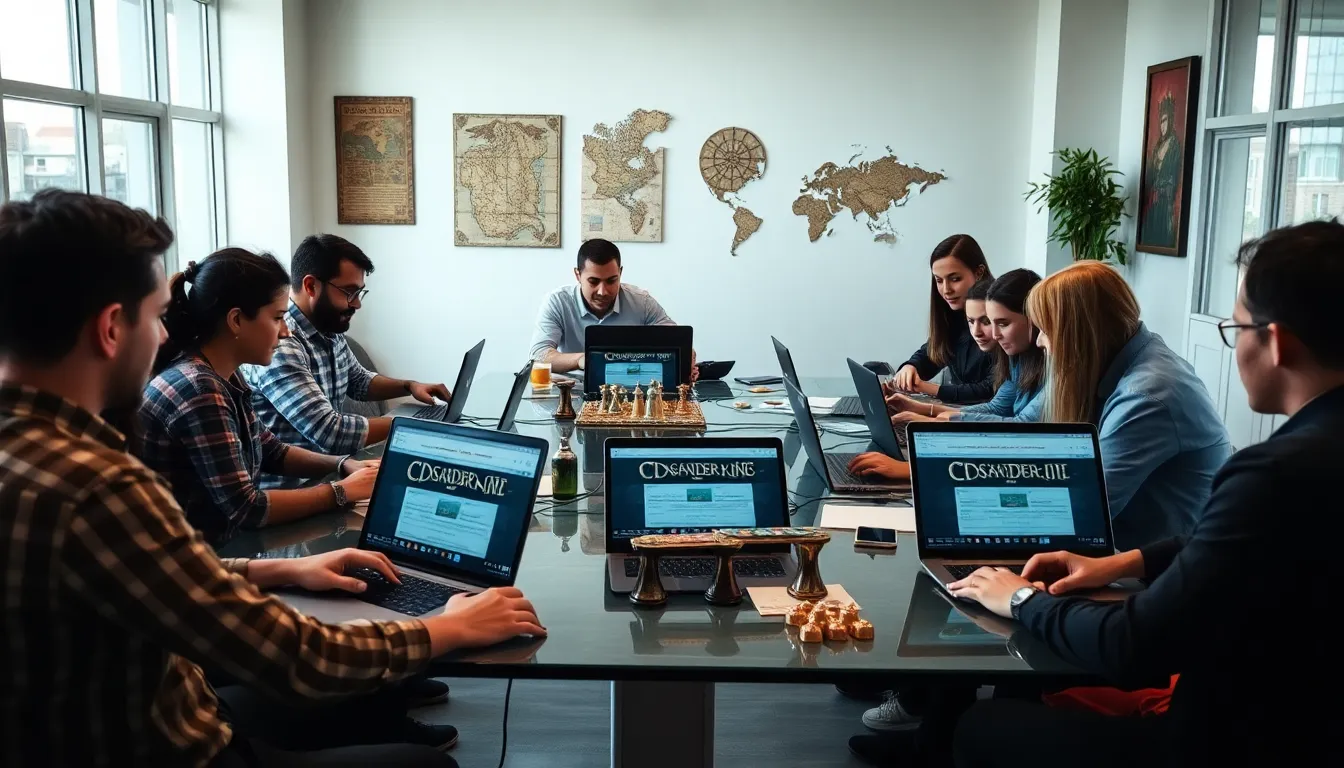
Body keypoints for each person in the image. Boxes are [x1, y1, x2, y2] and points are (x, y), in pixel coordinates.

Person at [0, 190, 544, 767]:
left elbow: (151, 571)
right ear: (111, 328)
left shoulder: (45, 460)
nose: (164, 337)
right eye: (158, 316)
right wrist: (447, 628)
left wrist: (285, 568)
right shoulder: (98, 488)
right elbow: (293, 655)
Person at [947, 219, 1336, 767]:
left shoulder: (1265, 468)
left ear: (1277, 342)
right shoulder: (1311, 457)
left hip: (1235, 738)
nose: (1037, 341)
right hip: (1294, 713)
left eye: (1236, 327)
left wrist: (1018, 598)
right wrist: (1118, 563)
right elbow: (1235, 540)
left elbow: (1134, 645)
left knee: (981, 726)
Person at [139, 249, 381, 546]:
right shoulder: (200, 390)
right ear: (237, 320)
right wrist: (342, 491)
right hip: (200, 563)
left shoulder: (224, 374)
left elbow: (271, 450)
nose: (285, 331)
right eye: (278, 317)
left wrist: (342, 465)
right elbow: (248, 508)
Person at [1026, 261, 1229, 549]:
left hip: (1155, 574)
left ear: (1078, 335)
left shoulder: (1147, 397)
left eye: (1045, 330)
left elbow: (1080, 513)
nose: (1039, 342)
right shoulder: (1125, 359)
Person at [243, 234, 452, 488]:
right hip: (294, 492)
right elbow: (331, 433)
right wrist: (412, 425)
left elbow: (359, 381)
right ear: (311, 286)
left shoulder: (328, 329)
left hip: (335, 475)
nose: (357, 304)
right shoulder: (281, 344)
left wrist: (410, 386)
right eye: (349, 292)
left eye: (359, 293)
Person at [889, 269, 1045, 424]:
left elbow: (1025, 424)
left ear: (1034, 318)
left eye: (1002, 324)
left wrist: (941, 421)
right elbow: (996, 408)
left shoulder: (1054, 367)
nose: (996, 335)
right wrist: (921, 408)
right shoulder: (1018, 359)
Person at [530, 238, 696, 377]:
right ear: (578, 275)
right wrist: (582, 360)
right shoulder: (557, 302)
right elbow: (539, 355)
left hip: (632, 390)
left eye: (611, 281)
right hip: (574, 391)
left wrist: (686, 355)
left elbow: (678, 342)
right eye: (593, 282)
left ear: (620, 273)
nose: (603, 292)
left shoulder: (641, 302)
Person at [888, 234, 996, 404]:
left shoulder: (1001, 318)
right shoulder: (953, 315)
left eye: (955, 279)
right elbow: (932, 352)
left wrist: (926, 388)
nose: (946, 290)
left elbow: (990, 389)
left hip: (985, 422)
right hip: (958, 415)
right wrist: (910, 367)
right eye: (939, 280)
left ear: (979, 272)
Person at [1141, 92, 1183, 249]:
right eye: (1161, 122)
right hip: (1154, 196)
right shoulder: (1158, 145)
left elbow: (1174, 175)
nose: (1162, 126)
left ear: (1170, 121)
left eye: (1165, 121)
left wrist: (1163, 188)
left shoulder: (1174, 145)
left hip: (1165, 199)